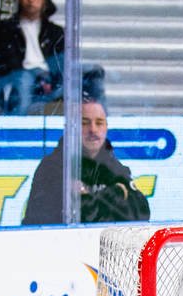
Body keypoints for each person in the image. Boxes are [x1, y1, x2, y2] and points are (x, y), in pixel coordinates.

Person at [22, 97, 150, 226]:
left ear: (106, 127)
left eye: (99, 123)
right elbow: (48, 221)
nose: (93, 129)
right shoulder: (52, 168)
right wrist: (118, 193)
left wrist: (87, 196)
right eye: (84, 123)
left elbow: (141, 215)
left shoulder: (114, 167)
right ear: (72, 128)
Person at [2, 0, 62, 111]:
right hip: (23, 76)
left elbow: (61, 65)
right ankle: (22, 124)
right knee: (23, 81)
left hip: (49, 77)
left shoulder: (55, 32)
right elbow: (9, 65)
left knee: (93, 73)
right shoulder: (7, 29)